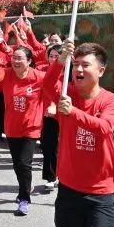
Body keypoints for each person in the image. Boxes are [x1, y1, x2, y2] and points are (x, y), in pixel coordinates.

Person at [48, 41, 114, 227]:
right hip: (70, 186)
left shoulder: (111, 100)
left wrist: (73, 112)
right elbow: (47, 86)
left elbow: (104, 128)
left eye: (85, 65)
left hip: (101, 186)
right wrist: (60, 61)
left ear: (100, 70)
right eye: (75, 64)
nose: (78, 69)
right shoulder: (66, 93)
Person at [0, 46, 52, 216]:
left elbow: (53, 89)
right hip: (12, 126)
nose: (15, 61)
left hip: (31, 127)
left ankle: (24, 198)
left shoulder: (39, 77)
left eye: (20, 58)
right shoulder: (6, 73)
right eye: (14, 57)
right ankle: (25, 186)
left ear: (29, 61)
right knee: (17, 164)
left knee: (24, 163)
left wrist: (52, 105)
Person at [39, 42, 64, 193]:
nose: (53, 59)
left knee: (64, 147)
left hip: (66, 114)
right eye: (51, 56)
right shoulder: (42, 71)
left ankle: (65, 176)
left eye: (57, 56)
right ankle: (51, 177)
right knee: (49, 146)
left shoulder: (70, 74)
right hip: (48, 114)